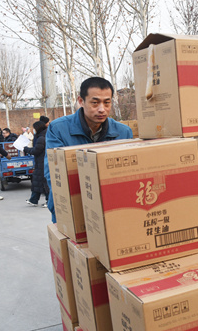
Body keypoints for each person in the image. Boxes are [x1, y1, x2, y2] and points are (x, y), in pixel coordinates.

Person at [45, 77, 133, 222]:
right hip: (71, 209)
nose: (102, 109)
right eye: (95, 103)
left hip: (111, 209)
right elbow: (53, 173)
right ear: (81, 101)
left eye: (107, 103)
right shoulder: (59, 129)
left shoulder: (123, 132)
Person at [24, 120, 49, 207]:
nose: (33, 130)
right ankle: (33, 200)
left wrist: (26, 149)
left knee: (44, 182)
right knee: (37, 181)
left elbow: (36, 150)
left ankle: (49, 201)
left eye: (34, 128)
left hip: (43, 163)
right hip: (41, 162)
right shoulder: (44, 135)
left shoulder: (41, 138)